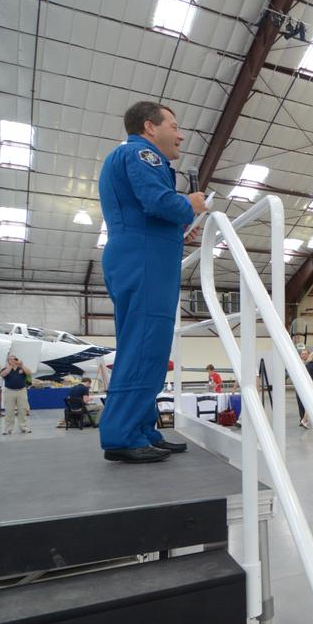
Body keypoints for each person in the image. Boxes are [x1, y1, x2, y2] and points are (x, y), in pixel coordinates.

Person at [98, 101, 209, 463]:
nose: (180, 135)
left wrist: (178, 228)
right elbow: (157, 201)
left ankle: (142, 427)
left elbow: (145, 210)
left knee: (145, 346)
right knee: (146, 346)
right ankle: (123, 434)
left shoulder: (128, 155)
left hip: (140, 254)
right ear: (150, 127)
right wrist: (190, 203)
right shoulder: (142, 154)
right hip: (144, 260)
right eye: (174, 126)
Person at [1, 355, 31, 435]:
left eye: (14, 359)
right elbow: (3, 374)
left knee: (22, 410)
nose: (13, 360)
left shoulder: (21, 368)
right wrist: (10, 366)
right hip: (9, 391)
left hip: (21, 391)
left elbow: (29, 373)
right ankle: (8, 429)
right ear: (8, 361)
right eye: (11, 359)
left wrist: (22, 365)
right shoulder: (6, 369)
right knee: (9, 410)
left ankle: (24, 427)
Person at [295, 349, 313, 429]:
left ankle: (304, 419)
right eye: (302, 354)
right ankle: (304, 420)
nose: (303, 355)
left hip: (308, 387)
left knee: (309, 404)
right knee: (312, 404)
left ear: (309, 355)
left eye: (305, 354)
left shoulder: (307, 365)